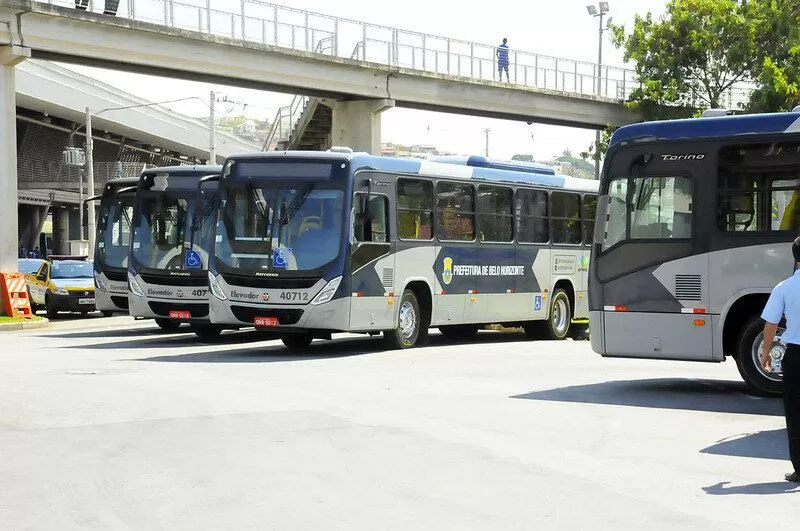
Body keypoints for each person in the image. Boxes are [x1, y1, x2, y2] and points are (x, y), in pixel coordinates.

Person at [760, 236, 800, 483]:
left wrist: (765, 354)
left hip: (796, 356)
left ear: (795, 259)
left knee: (795, 413)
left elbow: (771, 324)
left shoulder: (784, 287)